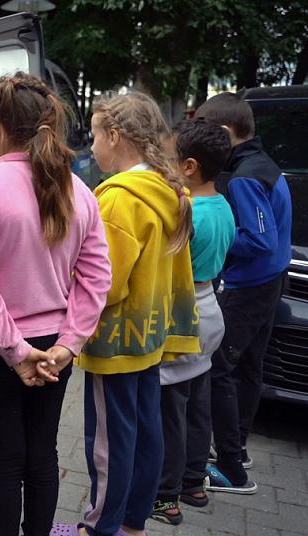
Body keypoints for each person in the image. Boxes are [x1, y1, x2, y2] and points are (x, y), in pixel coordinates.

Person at [0, 73, 111, 536]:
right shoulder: (80, 191)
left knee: (5, 459)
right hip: (54, 349)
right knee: (43, 453)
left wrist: (16, 351)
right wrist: (69, 344)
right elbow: (96, 278)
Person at [52, 91, 201, 536]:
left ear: (114, 136)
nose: (91, 146)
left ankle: (98, 527)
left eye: (95, 135)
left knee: (108, 440)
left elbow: (107, 282)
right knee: (146, 430)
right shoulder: (168, 190)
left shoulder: (118, 199)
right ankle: (134, 523)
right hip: (150, 334)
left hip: (115, 340)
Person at [194, 92, 292, 493]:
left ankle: (231, 468)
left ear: (223, 131)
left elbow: (259, 239)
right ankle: (238, 447)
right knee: (250, 367)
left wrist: (218, 238)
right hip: (271, 280)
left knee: (219, 367)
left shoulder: (245, 176)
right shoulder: (261, 162)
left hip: (251, 285)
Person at [151, 118, 235, 525]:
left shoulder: (188, 214)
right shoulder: (224, 207)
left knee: (171, 410)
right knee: (198, 405)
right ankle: (193, 483)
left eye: (168, 159)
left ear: (189, 167)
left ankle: (165, 497)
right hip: (211, 309)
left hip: (183, 314)